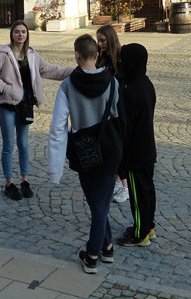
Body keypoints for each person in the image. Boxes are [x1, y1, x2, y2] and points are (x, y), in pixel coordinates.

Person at [47, 34, 123, 274]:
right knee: (98, 203)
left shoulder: (68, 86)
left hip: (83, 151)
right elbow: (120, 118)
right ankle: (106, 247)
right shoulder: (112, 82)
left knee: (97, 203)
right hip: (110, 150)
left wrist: (55, 167)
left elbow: (58, 127)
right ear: (97, 54)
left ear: (76, 55)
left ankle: (92, 255)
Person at [0, 20, 74, 201]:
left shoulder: (32, 55)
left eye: (23, 31)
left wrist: (75, 70)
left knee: (23, 145)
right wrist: (5, 88)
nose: (20, 34)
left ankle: (25, 180)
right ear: (12, 34)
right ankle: (9, 183)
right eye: (17, 31)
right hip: (7, 106)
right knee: (9, 145)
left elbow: (51, 70)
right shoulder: (2, 55)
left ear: (27, 34)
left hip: (25, 106)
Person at [115, 43, 158, 247]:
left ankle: (140, 234)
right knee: (147, 191)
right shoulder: (147, 84)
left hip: (135, 153)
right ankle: (149, 226)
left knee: (137, 195)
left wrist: (121, 157)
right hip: (147, 148)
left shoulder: (130, 91)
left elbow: (126, 127)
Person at [96, 25, 129, 204]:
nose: (100, 44)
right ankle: (117, 182)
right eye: (98, 41)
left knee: (119, 148)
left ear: (110, 39)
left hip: (119, 108)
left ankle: (125, 186)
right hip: (105, 109)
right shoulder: (102, 58)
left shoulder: (121, 59)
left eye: (103, 40)